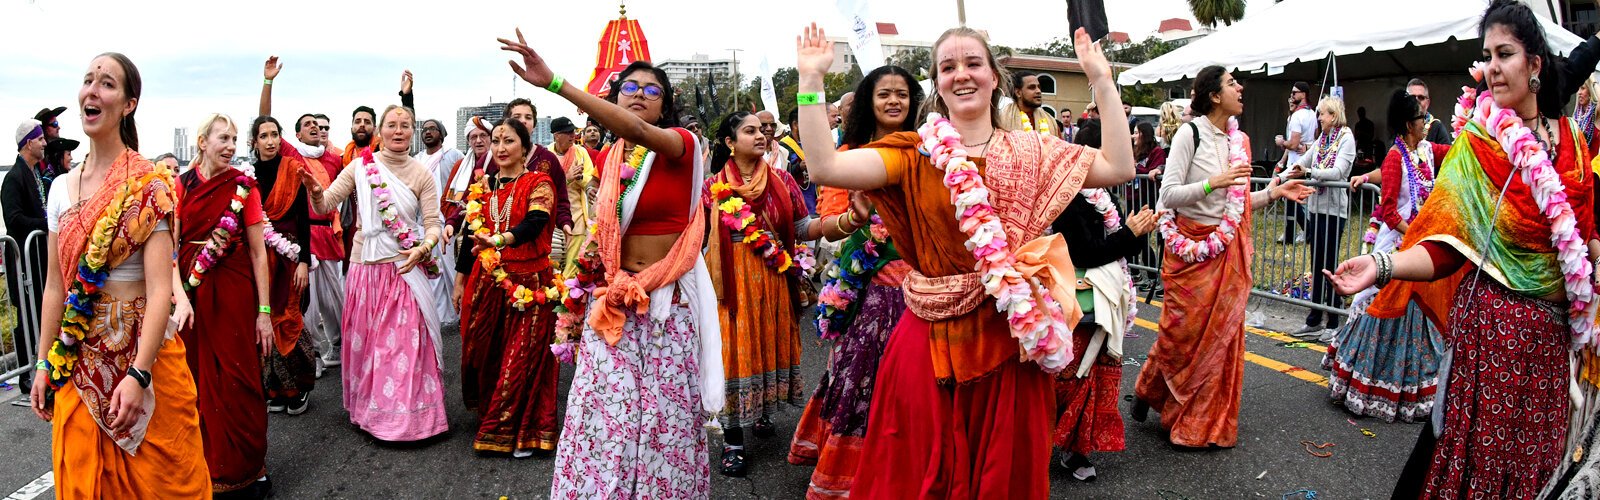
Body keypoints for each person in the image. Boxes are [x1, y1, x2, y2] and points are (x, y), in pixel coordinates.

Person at [793, 24, 1135, 497]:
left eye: (973, 63)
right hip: (928, 337)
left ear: (995, 77)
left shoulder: (1034, 150)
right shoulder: (913, 154)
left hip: (1010, 338)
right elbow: (826, 168)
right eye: (948, 67)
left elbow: (1119, 166)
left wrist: (1100, 78)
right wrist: (810, 83)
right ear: (937, 82)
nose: (962, 75)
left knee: (1004, 474)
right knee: (916, 473)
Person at [1327, 2, 1598, 496]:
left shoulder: (1576, 143)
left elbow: (1585, 237)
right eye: (1487, 55)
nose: (1492, 67)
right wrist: (1381, 264)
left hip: (1553, 349)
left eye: (1506, 53)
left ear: (1535, 64)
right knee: (1481, 473)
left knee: (1535, 472)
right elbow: (1446, 248)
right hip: (1492, 340)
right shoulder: (1478, 145)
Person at [498, 31, 723, 495]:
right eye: (630, 88)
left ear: (666, 104)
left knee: (666, 413)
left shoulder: (681, 144)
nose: (639, 95)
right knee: (602, 408)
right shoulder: (614, 156)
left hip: (665, 301)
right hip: (615, 299)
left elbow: (637, 130)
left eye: (651, 90)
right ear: (616, 95)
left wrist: (554, 82)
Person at [28, 52, 209, 498]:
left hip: (143, 361)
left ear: (128, 104)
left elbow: (160, 290)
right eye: (88, 80)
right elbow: (55, 286)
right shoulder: (58, 189)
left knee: (168, 484)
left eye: (107, 83)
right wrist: (43, 361)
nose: (92, 89)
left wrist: (139, 375)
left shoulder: (150, 184)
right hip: (79, 363)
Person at [1132, 65, 1315, 449]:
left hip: (1224, 254)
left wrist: (1274, 194)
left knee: (1220, 339)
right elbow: (1168, 196)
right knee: (1179, 337)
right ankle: (1151, 389)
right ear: (1214, 96)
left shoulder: (1239, 142)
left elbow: (1236, 205)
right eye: (1233, 83)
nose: (1240, 87)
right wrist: (1212, 181)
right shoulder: (1190, 133)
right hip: (1189, 253)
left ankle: (1198, 424)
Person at [704, 110, 864, 477]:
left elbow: (803, 226)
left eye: (762, 131)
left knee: (766, 344)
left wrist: (849, 221)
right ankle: (733, 440)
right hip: (729, 285)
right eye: (749, 131)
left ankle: (760, 409)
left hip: (773, 280)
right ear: (729, 143)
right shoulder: (710, 186)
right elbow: (696, 236)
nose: (761, 136)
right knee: (734, 354)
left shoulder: (782, 180)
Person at [789, 64, 922, 499]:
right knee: (861, 374)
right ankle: (850, 477)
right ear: (868, 101)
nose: (894, 101)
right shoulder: (851, 153)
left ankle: (907, 473)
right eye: (884, 94)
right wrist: (810, 86)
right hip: (871, 286)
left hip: (922, 286)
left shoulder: (931, 151)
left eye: (902, 93)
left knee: (917, 388)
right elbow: (826, 190)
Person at [304, 104, 448, 442]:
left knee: (404, 347)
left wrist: (422, 249)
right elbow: (325, 205)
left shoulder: (422, 175)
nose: (399, 131)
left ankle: (410, 420)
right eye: (392, 125)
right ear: (380, 131)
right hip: (365, 270)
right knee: (372, 346)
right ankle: (374, 414)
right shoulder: (359, 166)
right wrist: (313, 192)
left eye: (405, 126)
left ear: (412, 132)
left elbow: (431, 225)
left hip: (404, 269)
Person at [1324, 89, 1446, 423]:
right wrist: (1416, 236)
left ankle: (1408, 386)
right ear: (1409, 123)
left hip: (1415, 245)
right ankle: (1364, 382)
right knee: (1380, 308)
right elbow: (1390, 211)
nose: (1427, 123)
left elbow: (1455, 152)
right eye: (1422, 118)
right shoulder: (1396, 155)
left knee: (1413, 314)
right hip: (1396, 245)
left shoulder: (1425, 151)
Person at [1048, 119, 1158, 482]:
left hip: (1104, 301)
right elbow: (1088, 251)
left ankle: (1077, 450)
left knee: (1093, 379)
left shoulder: (1101, 194)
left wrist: (1137, 231)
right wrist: (1130, 232)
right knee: (1069, 379)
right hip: (1075, 303)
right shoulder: (1067, 197)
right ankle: (1051, 443)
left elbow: (1120, 246)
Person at [174, 113, 275, 497]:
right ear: (202, 142)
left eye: (234, 139)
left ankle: (247, 468)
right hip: (191, 290)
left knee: (239, 377)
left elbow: (257, 252)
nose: (231, 146)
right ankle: (204, 468)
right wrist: (177, 296)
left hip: (234, 288)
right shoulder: (180, 185)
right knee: (194, 376)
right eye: (223, 138)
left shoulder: (244, 187)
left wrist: (264, 313)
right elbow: (170, 245)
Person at [453, 118, 562, 457]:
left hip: (528, 284)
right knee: (487, 355)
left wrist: (500, 239)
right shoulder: (482, 189)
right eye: (495, 140)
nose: (500, 148)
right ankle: (494, 416)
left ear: (525, 148)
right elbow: (472, 238)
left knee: (522, 359)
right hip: (488, 282)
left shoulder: (539, 182)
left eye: (509, 141)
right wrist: (460, 280)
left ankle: (520, 431)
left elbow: (535, 223)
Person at [258, 58, 348, 371]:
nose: (314, 127)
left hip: (327, 234)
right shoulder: (293, 156)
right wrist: (268, 82)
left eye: (318, 124)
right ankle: (314, 356)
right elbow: (264, 120)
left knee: (334, 301)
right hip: (302, 238)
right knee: (304, 305)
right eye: (307, 124)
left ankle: (338, 349)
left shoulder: (337, 159)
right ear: (296, 135)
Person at [246, 116, 317, 415]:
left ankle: (299, 386)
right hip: (261, 258)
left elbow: (303, 218)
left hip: (290, 257)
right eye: (264, 136)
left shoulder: (292, 170)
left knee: (290, 318)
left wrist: (303, 261)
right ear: (254, 142)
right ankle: (276, 387)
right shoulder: (247, 177)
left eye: (275, 134)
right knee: (265, 319)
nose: (271, 141)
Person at [1285, 97, 1356, 340]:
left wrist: (1309, 173)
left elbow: (1338, 172)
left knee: (1328, 265)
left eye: (1322, 114)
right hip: (1316, 208)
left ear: (1334, 115)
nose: (1319, 118)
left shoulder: (1346, 137)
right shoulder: (1322, 139)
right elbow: (1304, 161)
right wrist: (1282, 175)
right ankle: (1314, 319)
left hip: (1334, 211)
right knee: (1316, 265)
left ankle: (1334, 320)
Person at [6, 119, 50, 396]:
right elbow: (13, 219)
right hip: (24, 262)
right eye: (41, 138)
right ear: (28, 143)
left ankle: (41, 371)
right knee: (26, 318)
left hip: (38, 259)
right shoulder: (13, 178)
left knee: (41, 314)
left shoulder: (33, 173)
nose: (45, 143)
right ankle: (25, 374)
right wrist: (46, 225)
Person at [416, 118, 464, 326]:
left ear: (442, 133)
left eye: (433, 129)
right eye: (425, 129)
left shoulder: (453, 156)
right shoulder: (416, 159)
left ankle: (462, 312)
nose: (428, 132)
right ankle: (441, 316)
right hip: (424, 223)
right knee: (432, 270)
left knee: (452, 268)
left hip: (448, 222)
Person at [548, 116, 594, 272]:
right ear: (556, 135)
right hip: (552, 221)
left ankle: (567, 295)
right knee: (553, 267)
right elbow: (542, 187)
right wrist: (566, 178)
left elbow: (591, 180)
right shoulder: (546, 155)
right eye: (567, 133)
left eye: (573, 131)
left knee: (573, 269)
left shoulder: (581, 153)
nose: (572, 135)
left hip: (577, 218)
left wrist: (580, 177)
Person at [1276, 81, 1315, 245]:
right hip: (1302, 161)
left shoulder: (1298, 116)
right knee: (1292, 200)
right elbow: (1315, 138)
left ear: (1303, 94)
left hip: (1296, 163)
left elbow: (1292, 144)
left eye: (1294, 93)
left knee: (1292, 198)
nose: (1291, 96)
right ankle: (1291, 233)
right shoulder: (1312, 113)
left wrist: (1280, 142)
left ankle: (1307, 230)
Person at [1407, 78, 1456, 146]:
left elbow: (1449, 155)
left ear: (1427, 103)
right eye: (1412, 97)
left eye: (1421, 97)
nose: (1416, 101)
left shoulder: (1436, 127)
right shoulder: (1399, 126)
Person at [1001, 71, 1051, 135]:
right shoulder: (1002, 121)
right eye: (1032, 87)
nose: (1038, 91)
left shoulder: (1050, 120)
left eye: (1039, 87)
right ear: (1018, 93)